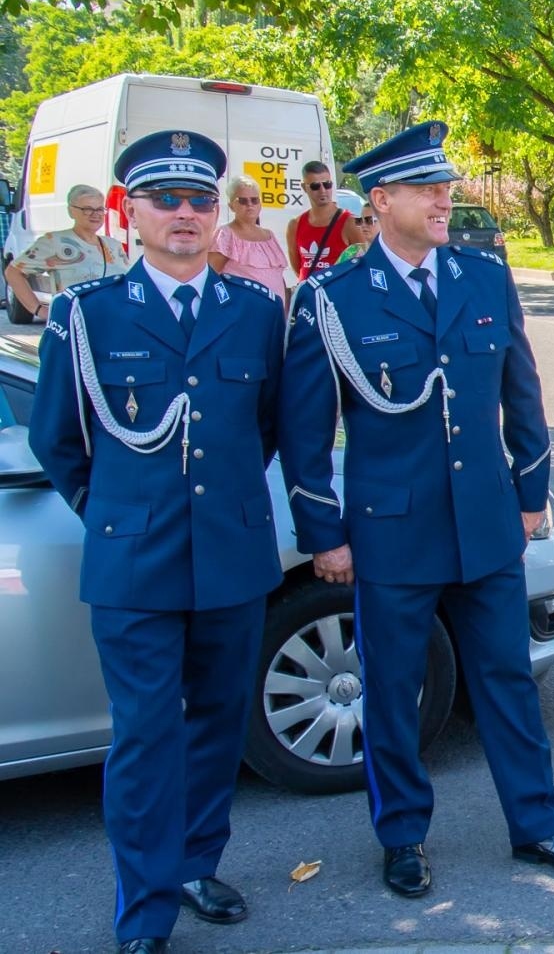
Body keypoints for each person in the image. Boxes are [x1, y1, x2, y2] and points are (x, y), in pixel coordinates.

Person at [277, 121, 554, 897]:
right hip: (392, 531)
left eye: (446, 187)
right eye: (427, 189)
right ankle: (401, 835)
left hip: (486, 522)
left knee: (508, 682)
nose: (443, 200)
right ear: (381, 200)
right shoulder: (332, 299)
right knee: (395, 691)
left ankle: (538, 825)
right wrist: (324, 534)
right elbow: (303, 432)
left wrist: (530, 494)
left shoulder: (482, 276)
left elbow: (521, 392)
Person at [28, 132, 286, 954]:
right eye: (165, 199)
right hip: (133, 563)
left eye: (200, 199)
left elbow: (265, 427)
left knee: (218, 724)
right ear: (129, 212)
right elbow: (56, 439)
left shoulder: (255, 311)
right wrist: (115, 512)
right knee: (144, 735)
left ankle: (195, 864)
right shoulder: (86, 314)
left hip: (232, 556)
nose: (185, 213)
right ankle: (143, 908)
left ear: (216, 213)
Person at [5, 183, 131, 321]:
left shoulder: (113, 245)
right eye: (87, 209)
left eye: (100, 209)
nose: (95, 214)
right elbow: (13, 272)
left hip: (114, 321)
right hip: (74, 323)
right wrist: (39, 310)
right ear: (71, 211)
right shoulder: (54, 242)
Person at [208, 174, 288, 303]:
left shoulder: (269, 235)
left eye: (254, 200)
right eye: (243, 201)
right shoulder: (225, 234)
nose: (250, 205)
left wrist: (285, 310)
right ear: (231, 205)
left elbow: (279, 277)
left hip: (275, 312)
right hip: (240, 311)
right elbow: (210, 278)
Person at [285, 160, 361, 281]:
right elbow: (298, 267)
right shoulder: (295, 225)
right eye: (315, 186)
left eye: (327, 184)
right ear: (304, 188)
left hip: (337, 290)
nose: (323, 191)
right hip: (308, 290)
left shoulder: (349, 223)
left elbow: (363, 263)